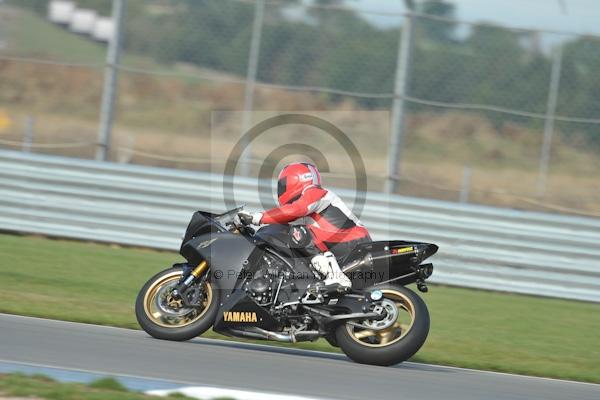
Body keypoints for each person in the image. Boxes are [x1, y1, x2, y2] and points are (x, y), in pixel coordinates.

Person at [235, 162, 371, 291]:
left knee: (298, 233)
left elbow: (295, 210)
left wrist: (256, 217)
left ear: (296, 179)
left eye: (283, 184)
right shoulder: (309, 202)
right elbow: (282, 222)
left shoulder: (314, 192)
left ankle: (336, 276)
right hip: (345, 244)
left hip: (353, 242)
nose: (281, 189)